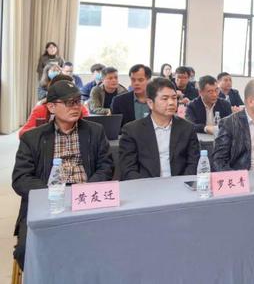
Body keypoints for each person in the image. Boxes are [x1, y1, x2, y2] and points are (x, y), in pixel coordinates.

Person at [12, 80, 113, 269]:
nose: (75, 107)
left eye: (77, 101)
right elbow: (21, 179)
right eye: (68, 102)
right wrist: (55, 194)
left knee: (107, 245)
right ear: (51, 107)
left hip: (86, 198)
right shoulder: (32, 138)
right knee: (28, 251)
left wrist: (86, 190)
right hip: (49, 200)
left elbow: (106, 166)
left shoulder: (95, 131)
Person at [119, 78, 200, 180]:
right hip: (144, 185)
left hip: (179, 184)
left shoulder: (187, 128)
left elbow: (193, 163)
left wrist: (181, 183)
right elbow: (128, 168)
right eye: (165, 99)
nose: (171, 103)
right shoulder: (132, 130)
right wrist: (146, 187)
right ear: (150, 103)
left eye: (174, 98)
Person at [19, 74, 90, 137]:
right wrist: (43, 130)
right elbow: (23, 133)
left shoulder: (80, 107)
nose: (73, 90)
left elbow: (89, 129)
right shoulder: (42, 109)